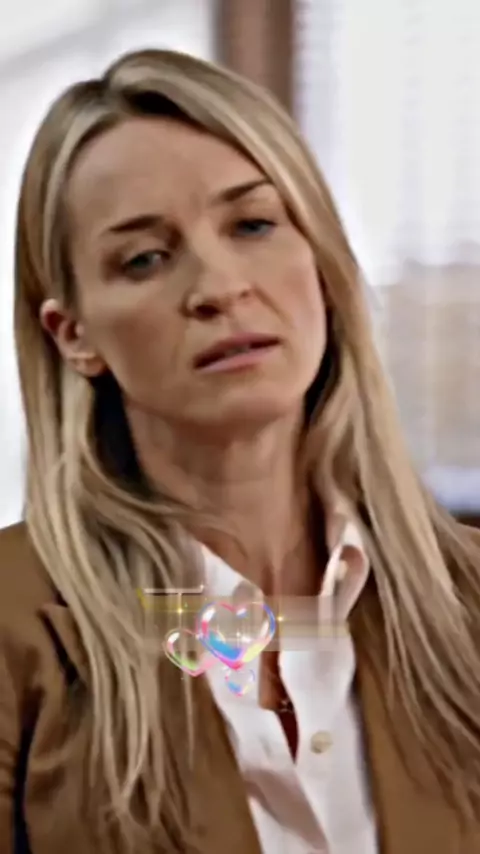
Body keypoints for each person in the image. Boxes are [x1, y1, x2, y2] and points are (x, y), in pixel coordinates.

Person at [0, 47, 480, 854]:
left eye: (253, 225)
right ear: (73, 334)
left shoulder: (465, 602)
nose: (220, 287)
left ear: (322, 259)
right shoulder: (15, 624)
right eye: (145, 259)